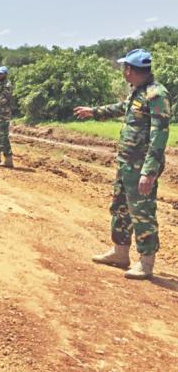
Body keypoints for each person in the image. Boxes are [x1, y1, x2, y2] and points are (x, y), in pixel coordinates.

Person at [74, 48, 170, 280]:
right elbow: (120, 108)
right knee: (120, 208)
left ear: (130, 70)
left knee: (142, 213)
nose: (123, 71)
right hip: (126, 163)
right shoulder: (138, 92)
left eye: (124, 67)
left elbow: (160, 134)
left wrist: (149, 171)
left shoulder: (156, 94)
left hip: (141, 167)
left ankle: (146, 263)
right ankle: (120, 253)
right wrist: (94, 112)